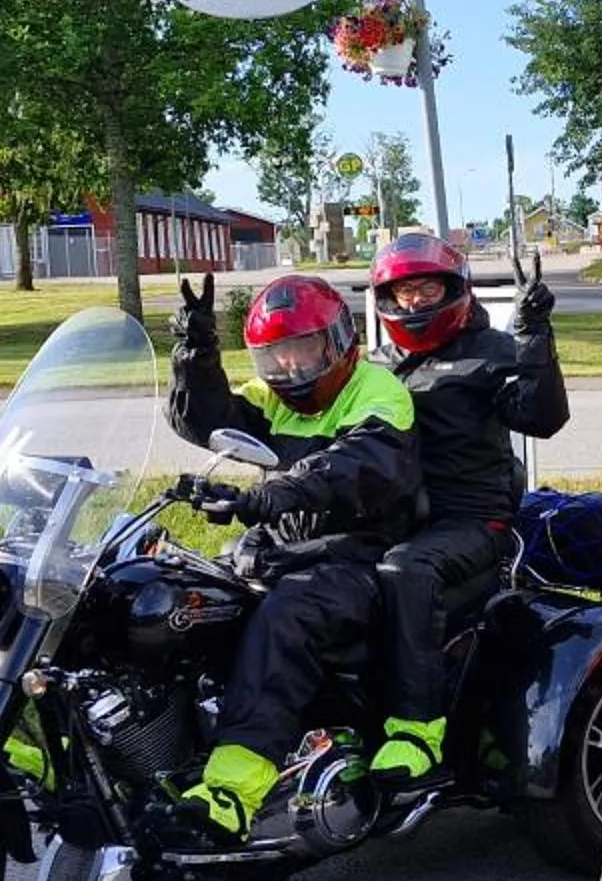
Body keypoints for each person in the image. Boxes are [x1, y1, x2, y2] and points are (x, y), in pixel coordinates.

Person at [166, 272, 420, 833]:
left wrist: (268, 495)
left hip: (357, 558)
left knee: (287, 615)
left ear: (337, 342)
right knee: (184, 595)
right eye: (273, 356)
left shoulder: (379, 393)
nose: (289, 368)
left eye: (302, 351)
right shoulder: (275, 397)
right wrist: (196, 352)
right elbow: (205, 420)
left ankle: (233, 793)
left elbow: (350, 467)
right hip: (284, 550)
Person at [357, 229, 571, 782]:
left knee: (406, 571)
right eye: (403, 294)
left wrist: (533, 336)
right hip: (393, 518)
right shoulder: (377, 365)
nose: (414, 303)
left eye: (426, 290)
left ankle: (415, 734)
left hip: (474, 520)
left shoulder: (493, 352)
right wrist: (198, 360)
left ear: (454, 288)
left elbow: (542, 418)